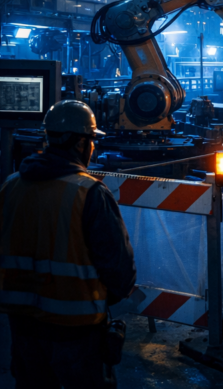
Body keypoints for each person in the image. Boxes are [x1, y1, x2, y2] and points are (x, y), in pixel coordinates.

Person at [0, 100, 136, 388]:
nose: (93, 148)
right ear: (80, 143)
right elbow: (119, 270)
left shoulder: (10, 186)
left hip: (22, 325)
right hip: (77, 330)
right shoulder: (90, 193)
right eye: (91, 140)